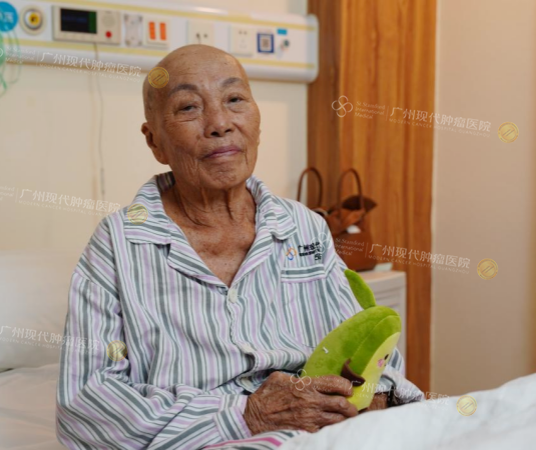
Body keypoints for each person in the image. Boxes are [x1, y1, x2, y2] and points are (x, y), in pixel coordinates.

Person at [56, 45, 423, 450]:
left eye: (234, 99)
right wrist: (245, 415)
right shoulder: (119, 244)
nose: (219, 123)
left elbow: (370, 346)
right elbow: (85, 406)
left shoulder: (304, 227)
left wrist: (373, 400)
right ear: (154, 140)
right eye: (188, 107)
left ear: (257, 120)